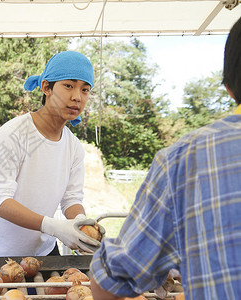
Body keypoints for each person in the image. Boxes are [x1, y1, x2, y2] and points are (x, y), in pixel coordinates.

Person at [90, 16, 241, 300]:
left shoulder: (185, 160)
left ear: (229, 87)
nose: (78, 97)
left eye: (85, 89)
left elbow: (111, 279)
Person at [0, 51, 105, 257]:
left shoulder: (73, 146)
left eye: (85, 89)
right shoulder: (12, 134)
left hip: (45, 250)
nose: (77, 97)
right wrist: (53, 227)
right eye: (68, 85)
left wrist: (81, 225)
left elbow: (71, 198)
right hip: (0, 253)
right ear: (47, 87)